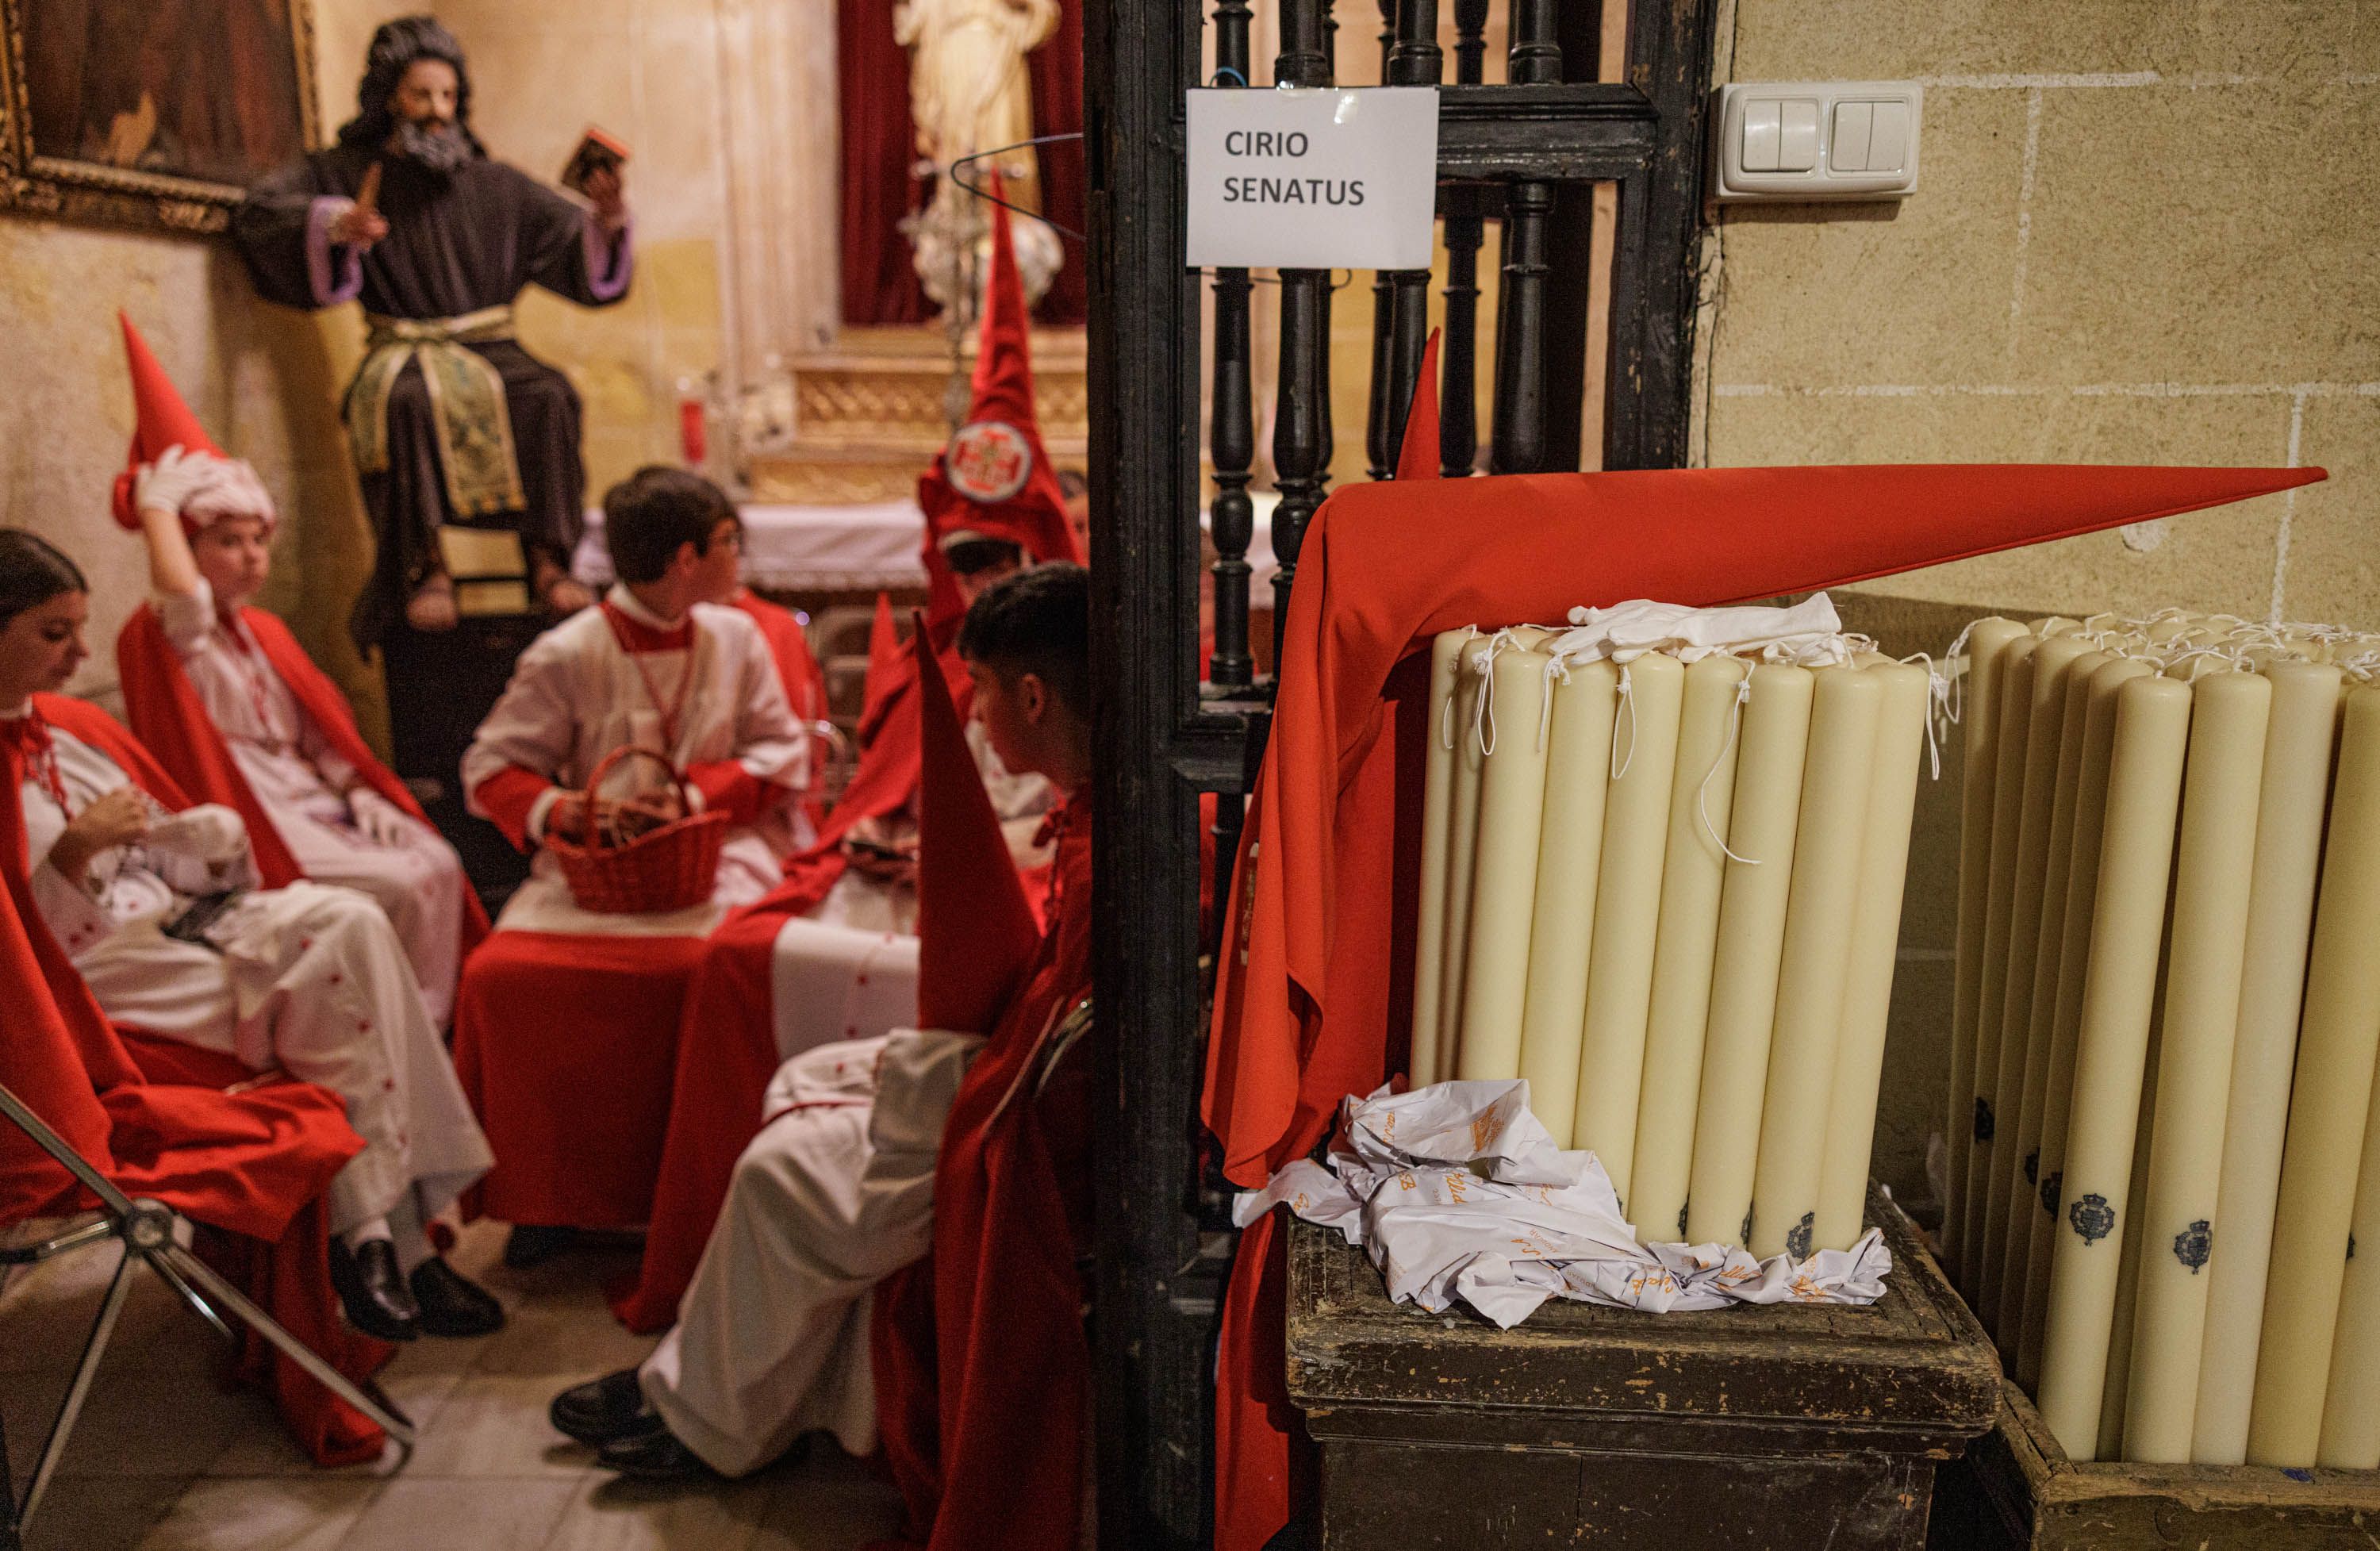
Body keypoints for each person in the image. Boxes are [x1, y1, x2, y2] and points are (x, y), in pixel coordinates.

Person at [548, 562, 1093, 1487]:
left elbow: (1068, 1037)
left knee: (783, 1169)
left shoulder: (1106, 835)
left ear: (1034, 695)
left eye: (984, 693)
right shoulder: (1100, 811)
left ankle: (705, 1421)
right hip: (1032, 1079)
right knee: (802, 1081)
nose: (978, 715)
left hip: (1047, 1133)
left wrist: (948, 1072)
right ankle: (751, 1392)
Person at [0, 528, 501, 1344]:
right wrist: (75, 852)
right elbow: (22, 956)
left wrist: (201, 840)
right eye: (53, 635)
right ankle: (399, 1242)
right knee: (339, 957)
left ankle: (372, 1233)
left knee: (353, 924)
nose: (77, 654)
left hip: (173, 934)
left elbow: (184, 869)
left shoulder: (71, 730)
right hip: (93, 982)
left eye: (79, 630)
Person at [452, 467, 808, 1261]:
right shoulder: (567, 652)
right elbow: (489, 769)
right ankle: (545, 1199)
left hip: (715, 850)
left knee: (710, 967)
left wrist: (697, 795)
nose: (736, 556)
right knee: (500, 976)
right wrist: (570, 811)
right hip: (595, 867)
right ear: (686, 557)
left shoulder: (738, 637)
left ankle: (696, 1189)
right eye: (726, 542)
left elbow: (781, 747)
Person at [108, 314, 485, 1026]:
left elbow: (320, 735)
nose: (252, 556)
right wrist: (155, 505)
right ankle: (381, 1024)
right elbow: (183, 596)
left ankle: (432, 1023)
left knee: (433, 859)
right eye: (226, 540)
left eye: (258, 539)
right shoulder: (167, 633)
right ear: (185, 545)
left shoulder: (264, 631)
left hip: (309, 795)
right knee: (396, 884)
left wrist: (361, 792)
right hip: (252, 806)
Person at [232, 15, 631, 647]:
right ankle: (425, 568)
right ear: (391, 96)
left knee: (549, 393)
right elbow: (259, 214)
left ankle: (549, 559)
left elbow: (572, 244)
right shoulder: (343, 171)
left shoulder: (496, 183)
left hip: (492, 343)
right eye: (421, 95)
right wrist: (336, 226)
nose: (437, 112)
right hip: (403, 347)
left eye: (448, 97)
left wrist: (607, 220)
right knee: (406, 403)